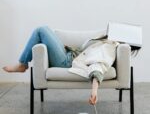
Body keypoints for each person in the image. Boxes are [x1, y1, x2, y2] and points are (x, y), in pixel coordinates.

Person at [3, 26, 140, 105]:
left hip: (66, 62)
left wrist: (94, 91)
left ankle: (22, 64)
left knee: (41, 29)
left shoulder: (110, 48)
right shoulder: (107, 41)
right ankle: (22, 64)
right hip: (69, 54)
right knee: (43, 30)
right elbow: (84, 52)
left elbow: (98, 66)